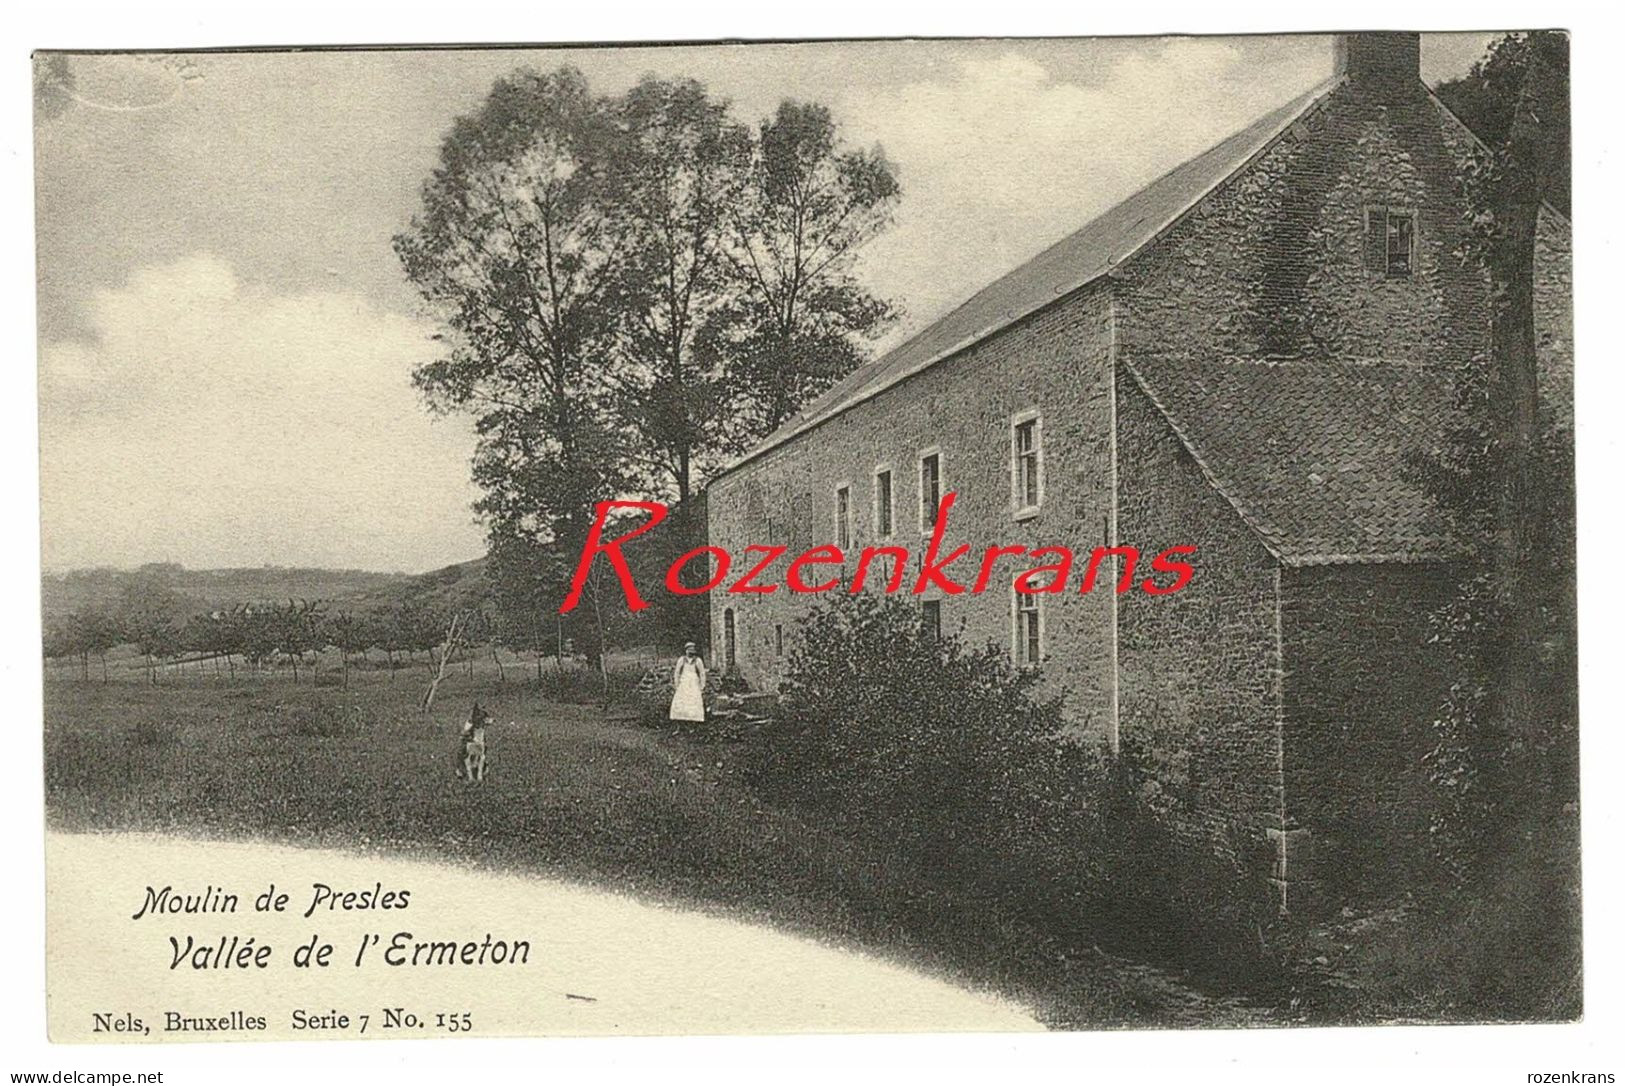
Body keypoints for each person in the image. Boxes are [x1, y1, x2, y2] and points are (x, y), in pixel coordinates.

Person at [669, 641, 707, 723]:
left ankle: (693, 724)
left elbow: (702, 673)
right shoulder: (681, 660)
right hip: (684, 683)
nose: (690, 652)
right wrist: (677, 684)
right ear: (686, 650)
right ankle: (681, 723)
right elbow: (677, 672)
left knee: (693, 702)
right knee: (681, 702)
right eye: (689, 650)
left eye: (692, 650)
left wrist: (702, 686)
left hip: (694, 683)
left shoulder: (698, 660)